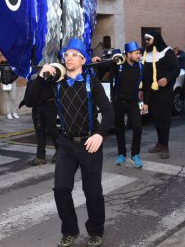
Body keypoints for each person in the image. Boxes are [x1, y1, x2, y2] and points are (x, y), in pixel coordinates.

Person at [23, 38, 114, 247]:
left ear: (83, 59)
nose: (69, 58)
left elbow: (109, 112)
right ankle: (70, 230)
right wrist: (40, 77)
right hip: (66, 144)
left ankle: (96, 230)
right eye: (66, 55)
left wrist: (99, 134)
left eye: (74, 54)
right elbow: (29, 101)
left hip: (89, 144)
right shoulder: (56, 83)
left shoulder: (92, 82)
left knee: (93, 193)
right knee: (61, 189)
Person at [142, 32, 180, 159]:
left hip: (164, 92)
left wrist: (167, 79)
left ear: (156, 39)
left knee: (164, 119)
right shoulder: (146, 54)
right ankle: (159, 143)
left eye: (149, 39)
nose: (147, 42)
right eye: (146, 39)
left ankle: (165, 146)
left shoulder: (167, 52)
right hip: (151, 92)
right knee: (156, 118)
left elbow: (176, 69)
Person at [112, 41, 145, 168]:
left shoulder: (141, 67)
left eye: (139, 53)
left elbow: (146, 85)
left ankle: (135, 154)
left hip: (133, 103)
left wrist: (146, 102)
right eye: (137, 53)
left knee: (137, 127)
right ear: (128, 54)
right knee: (119, 129)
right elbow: (104, 67)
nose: (139, 55)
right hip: (118, 102)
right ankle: (121, 154)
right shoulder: (118, 65)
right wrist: (95, 58)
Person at [22, 76, 59, 166]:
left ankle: (59, 153)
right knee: (39, 132)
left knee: (52, 130)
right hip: (37, 108)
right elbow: (29, 94)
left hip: (49, 105)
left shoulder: (51, 74)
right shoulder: (31, 76)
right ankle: (40, 156)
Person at [0, 54, 20, 120]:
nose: (3, 57)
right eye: (1, 56)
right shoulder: (0, 65)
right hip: (3, 84)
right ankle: (8, 113)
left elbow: (17, 73)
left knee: (13, 98)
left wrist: (10, 81)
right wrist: (0, 80)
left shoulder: (12, 63)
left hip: (12, 83)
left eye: (4, 56)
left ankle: (14, 112)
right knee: (6, 99)